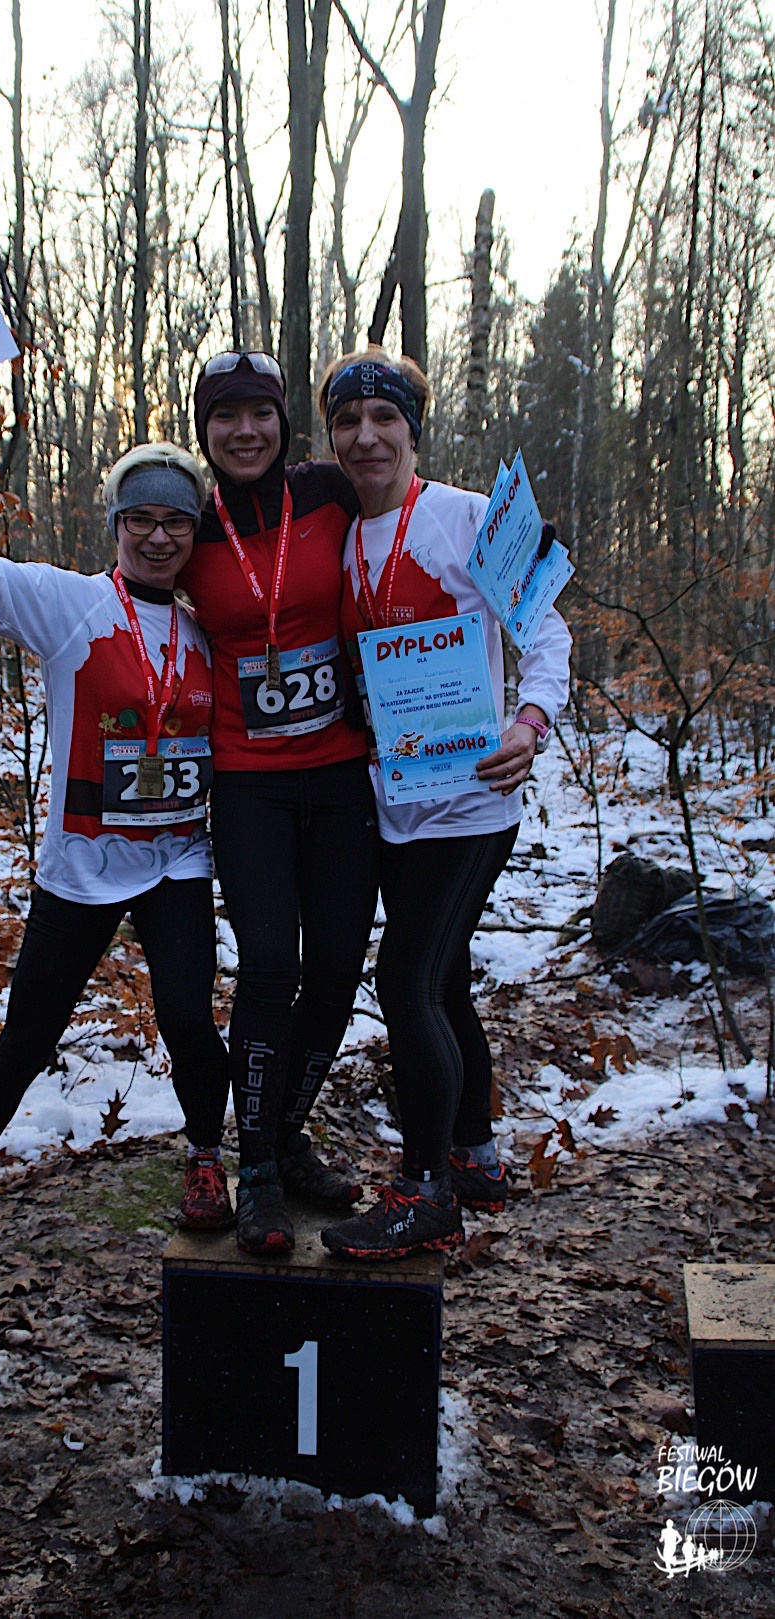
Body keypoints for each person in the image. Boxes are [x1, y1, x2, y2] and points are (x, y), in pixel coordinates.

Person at [0, 371, 232, 1293]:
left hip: (176, 861)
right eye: (140, 520)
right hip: (83, 868)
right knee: (27, 1038)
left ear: (194, 533)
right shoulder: (67, 603)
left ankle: (206, 1160)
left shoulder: (209, 632)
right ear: (116, 526)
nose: (158, 537)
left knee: (188, 1021)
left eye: (175, 523)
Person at [315, 349, 571, 1260]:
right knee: (444, 978)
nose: (366, 437)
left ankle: (424, 1190)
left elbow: (546, 630)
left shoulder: (468, 517)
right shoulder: (335, 534)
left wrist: (530, 722)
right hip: (391, 796)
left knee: (407, 980)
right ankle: (475, 1156)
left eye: (384, 418)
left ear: (412, 430)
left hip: (471, 800)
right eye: (347, 421)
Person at [179, 353, 380, 1254]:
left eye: (259, 413)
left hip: (339, 774)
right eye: (225, 416)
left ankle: (287, 1135)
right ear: (205, 430)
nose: (244, 431)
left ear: (283, 421)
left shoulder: (329, 491)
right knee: (268, 968)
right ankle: (254, 1165)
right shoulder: (190, 521)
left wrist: (512, 550)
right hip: (248, 781)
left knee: (335, 968)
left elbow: (413, 519)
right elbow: (127, 592)